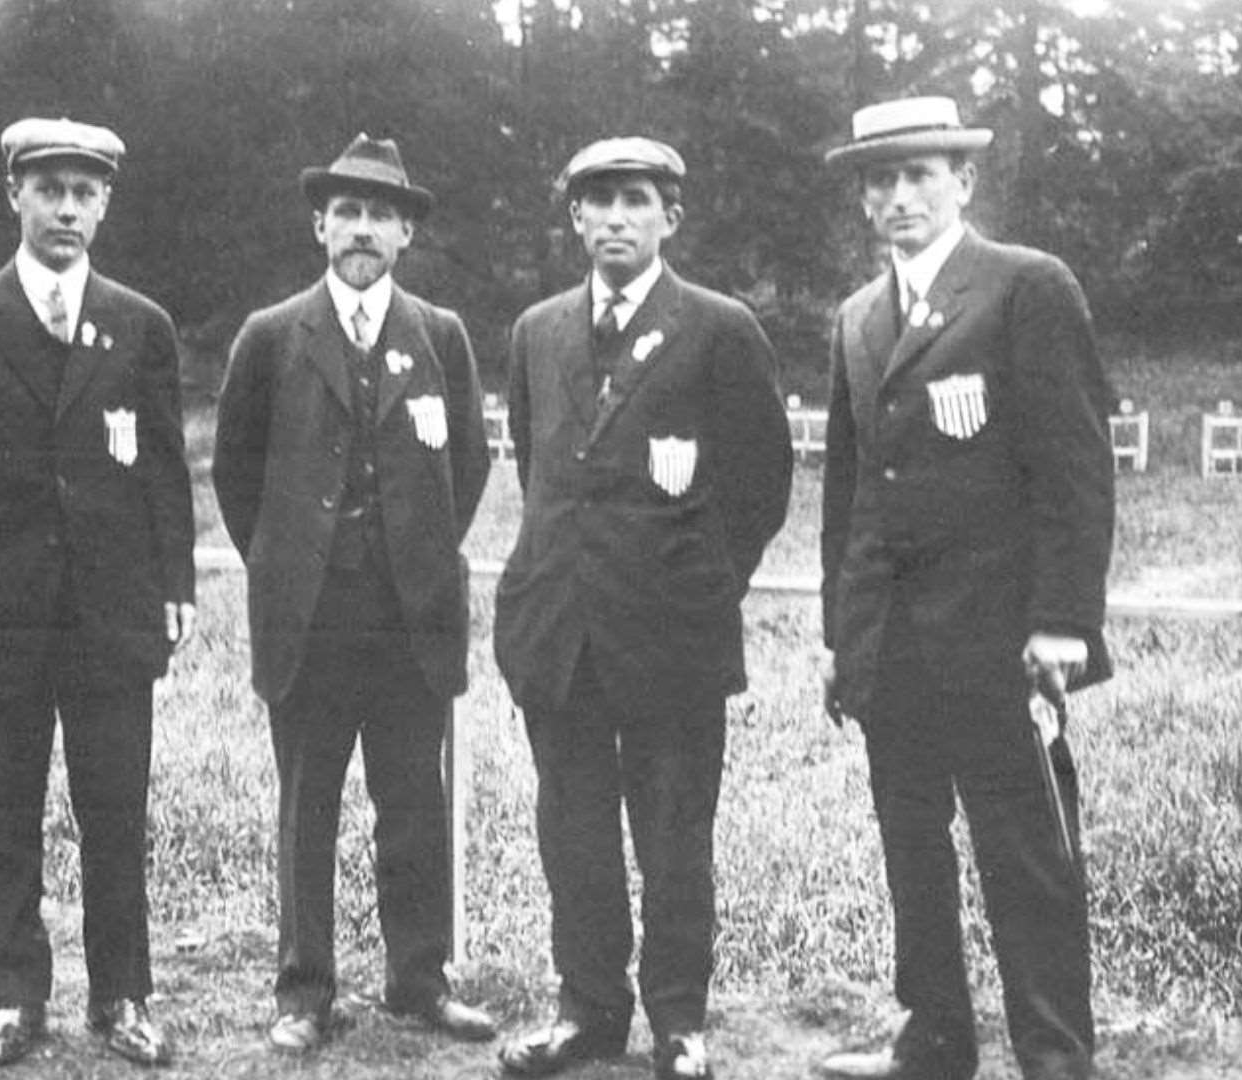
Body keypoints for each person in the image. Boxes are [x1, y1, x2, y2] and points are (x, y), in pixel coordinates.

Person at [814, 96, 1116, 1080]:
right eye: (881, 179)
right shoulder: (859, 319)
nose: (900, 195)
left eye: (919, 174)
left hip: (997, 643)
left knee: (1026, 858)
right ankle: (933, 1037)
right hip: (892, 645)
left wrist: (1064, 624)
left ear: (964, 181)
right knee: (913, 850)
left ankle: (1055, 1057)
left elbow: (1073, 468)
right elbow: (850, 495)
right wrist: (839, 634)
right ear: (863, 198)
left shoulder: (1026, 287)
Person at [492, 137, 794, 1080]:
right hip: (560, 636)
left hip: (673, 637)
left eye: (636, 200)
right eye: (597, 202)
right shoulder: (537, 331)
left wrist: (702, 585)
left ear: (671, 216)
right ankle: (587, 1009)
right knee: (573, 832)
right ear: (574, 219)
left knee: (673, 835)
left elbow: (761, 482)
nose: (615, 217)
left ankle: (679, 1021)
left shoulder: (719, 327)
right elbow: (537, 459)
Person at [0, 117, 196, 1068]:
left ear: (106, 203)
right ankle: (13, 998)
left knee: (116, 811)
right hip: (3, 613)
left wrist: (175, 582)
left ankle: (123, 997)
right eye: (49, 189)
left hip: (112, 614)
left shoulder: (141, 325)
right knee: (8, 812)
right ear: (14, 196)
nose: (67, 208)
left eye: (85, 192)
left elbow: (162, 468)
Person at [211, 133, 496, 1054]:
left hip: (410, 618)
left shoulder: (441, 337)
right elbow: (234, 474)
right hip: (309, 619)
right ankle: (304, 991)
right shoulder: (270, 336)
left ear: (406, 233)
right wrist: (291, 561)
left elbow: (470, 466)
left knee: (414, 802)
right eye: (348, 212)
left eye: (382, 214)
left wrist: (413, 555)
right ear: (319, 225)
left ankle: (420, 980)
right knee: (308, 806)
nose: (364, 230)